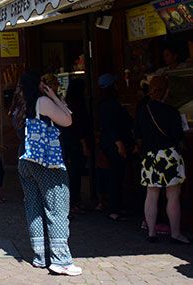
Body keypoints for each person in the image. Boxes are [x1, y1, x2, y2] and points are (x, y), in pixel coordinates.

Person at [17, 70, 81, 276]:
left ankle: (39, 255)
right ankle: (60, 259)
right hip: (46, 161)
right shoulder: (42, 101)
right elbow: (67, 119)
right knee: (57, 205)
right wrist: (53, 95)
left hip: (25, 158)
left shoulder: (20, 104)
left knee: (33, 207)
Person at [136, 74, 189, 244]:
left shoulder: (143, 110)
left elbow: (138, 134)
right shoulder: (172, 111)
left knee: (151, 194)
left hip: (150, 156)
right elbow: (178, 135)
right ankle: (175, 234)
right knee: (173, 195)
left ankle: (151, 233)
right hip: (169, 155)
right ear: (166, 91)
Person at [97, 73, 134, 222]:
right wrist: (119, 143)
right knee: (115, 175)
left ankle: (116, 205)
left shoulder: (105, 103)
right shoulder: (109, 104)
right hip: (114, 144)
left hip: (110, 142)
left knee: (116, 175)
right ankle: (114, 208)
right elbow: (111, 126)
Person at [60, 78, 91, 215]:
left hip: (66, 142)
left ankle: (71, 202)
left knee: (71, 173)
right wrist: (84, 144)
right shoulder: (78, 105)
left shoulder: (66, 104)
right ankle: (74, 201)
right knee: (75, 173)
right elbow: (79, 127)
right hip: (75, 143)